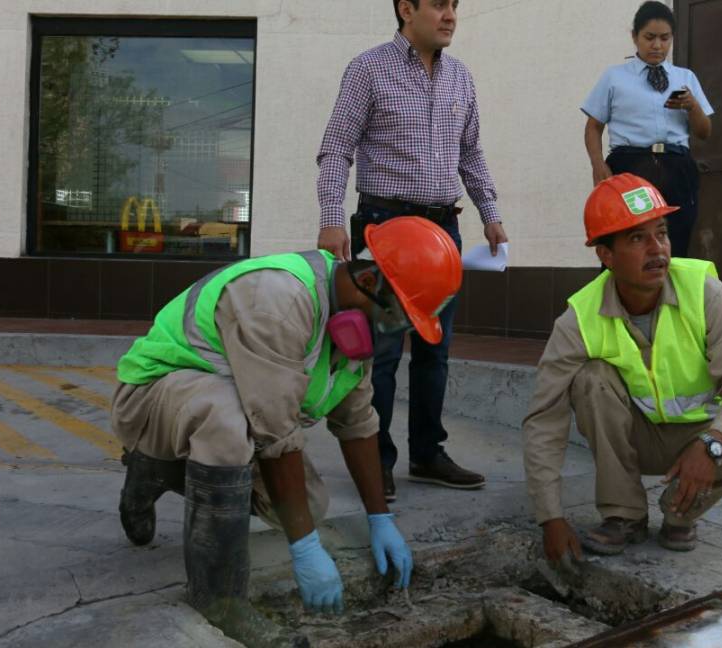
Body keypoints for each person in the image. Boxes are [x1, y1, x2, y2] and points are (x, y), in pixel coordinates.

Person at [111, 217, 461, 646]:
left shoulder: (355, 326)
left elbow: (357, 423)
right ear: (369, 279)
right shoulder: (277, 299)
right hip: (152, 398)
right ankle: (220, 600)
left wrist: (379, 517)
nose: (394, 332)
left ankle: (157, 473)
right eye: (397, 318)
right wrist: (304, 549)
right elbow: (275, 435)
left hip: (226, 414)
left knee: (307, 507)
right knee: (226, 417)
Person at [522, 174, 722, 560]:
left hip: (696, 434)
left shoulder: (704, 292)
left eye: (661, 233)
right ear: (606, 256)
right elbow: (544, 419)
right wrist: (550, 518)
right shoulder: (579, 319)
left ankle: (680, 513)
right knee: (591, 379)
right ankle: (624, 516)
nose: (657, 249)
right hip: (635, 436)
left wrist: (712, 443)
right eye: (637, 238)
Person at [315, 0, 506, 501]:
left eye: (455, 6)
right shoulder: (368, 69)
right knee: (378, 353)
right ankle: (374, 460)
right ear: (406, 9)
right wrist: (331, 217)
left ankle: (427, 453)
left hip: (443, 233)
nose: (450, 15)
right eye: (439, 4)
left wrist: (490, 212)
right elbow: (337, 146)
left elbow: (471, 152)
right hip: (385, 230)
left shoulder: (461, 78)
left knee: (434, 349)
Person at [581, 1, 714, 258]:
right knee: (626, 238)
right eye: (649, 37)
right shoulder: (615, 77)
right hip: (630, 167)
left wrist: (692, 106)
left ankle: (670, 297)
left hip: (677, 166)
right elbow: (593, 126)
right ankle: (620, 297)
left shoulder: (685, 78)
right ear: (635, 37)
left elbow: (704, 132)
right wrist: (598, 165)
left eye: (665, 38)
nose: (657, 45)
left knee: (676, 244)